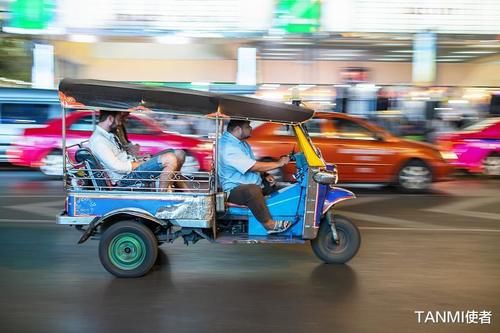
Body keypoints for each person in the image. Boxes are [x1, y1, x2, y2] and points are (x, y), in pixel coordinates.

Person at [218, 119, 292, 234]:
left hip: (250, 182)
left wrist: (265, 174)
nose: (251, 129)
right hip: (234, 190)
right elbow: (252, 166)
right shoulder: (228, 146)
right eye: (248, 127)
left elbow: (250, 162)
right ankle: (269, 224)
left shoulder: (242, 143)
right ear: (238, 130)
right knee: (252, 190)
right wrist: (279, 163)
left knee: (283, 187)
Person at [89, 110, 186, 191]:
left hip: (132, 168)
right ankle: (162, 197)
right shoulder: (99, 140)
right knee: (170, 159)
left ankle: (184, 192)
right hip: (124, 178)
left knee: (179, 153)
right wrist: (141, 163)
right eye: (120, 118)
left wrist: (139, 159)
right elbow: (118, 167)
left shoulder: (109, 135)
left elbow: (124, 156)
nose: (121, 122)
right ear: (110, 119)